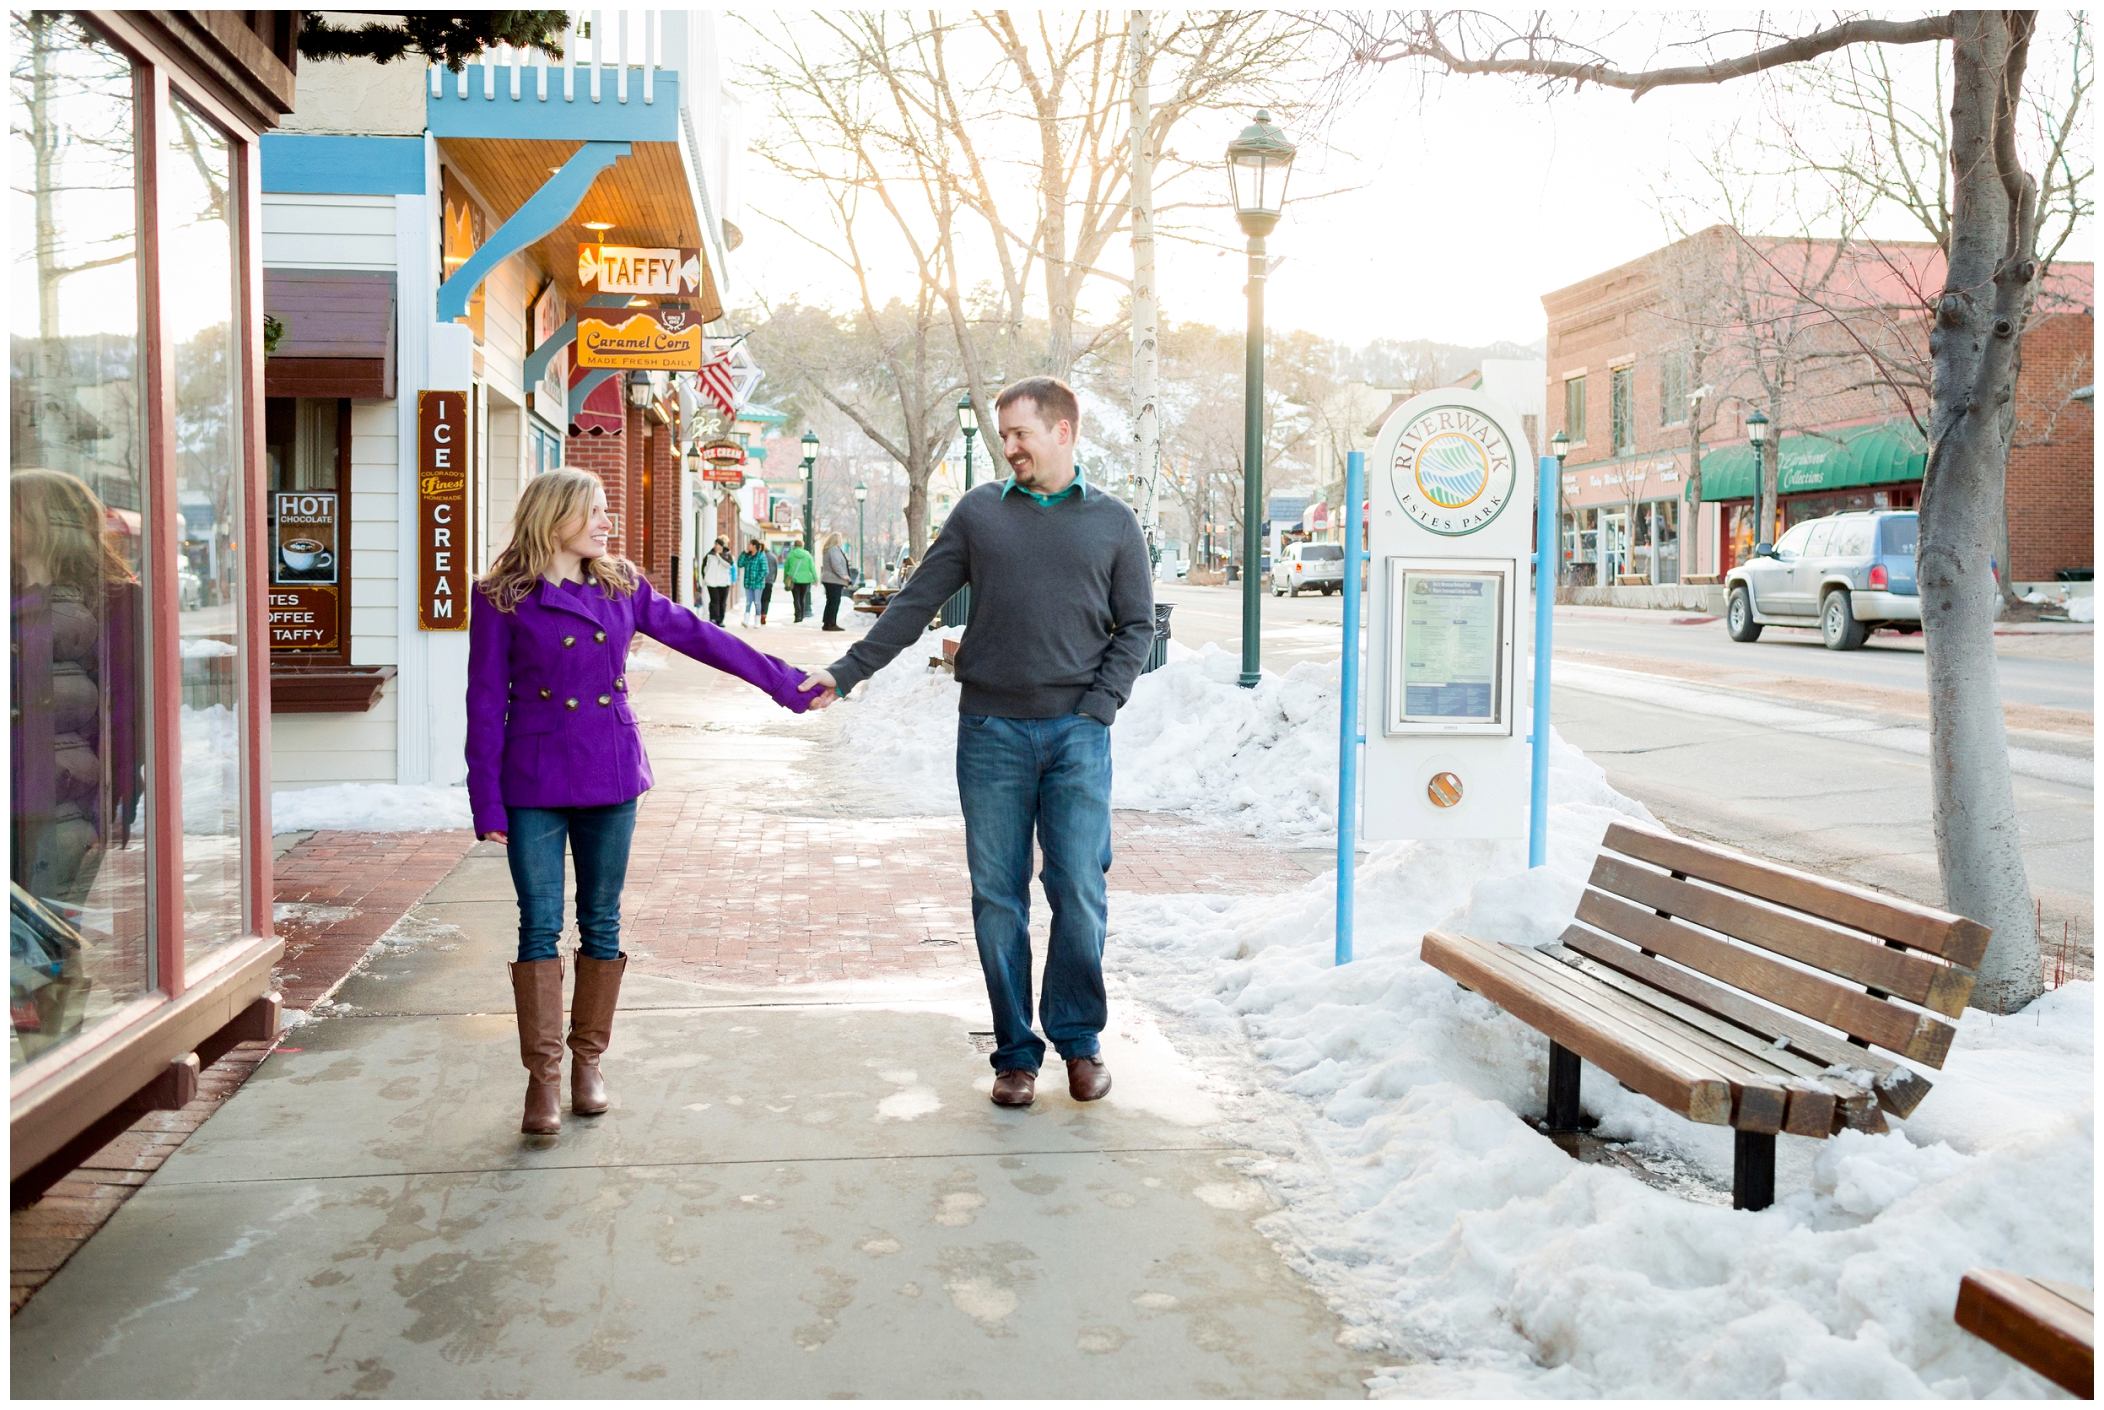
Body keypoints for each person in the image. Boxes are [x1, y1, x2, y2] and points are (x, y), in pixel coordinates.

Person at [799, 377, 1152, 1108]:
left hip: (1077, 737)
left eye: (1020, 433)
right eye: (1002, 435)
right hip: (990, 731)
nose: (1009, 447)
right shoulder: (979, 515)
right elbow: (915, 602)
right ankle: (1015, 1055)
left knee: (1078, 891)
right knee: (998, 898)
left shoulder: (1115, 523)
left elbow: (1138, 627)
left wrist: (1099, 707)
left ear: (1062, 431)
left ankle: (1080, 1042)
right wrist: (848, 671)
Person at [467, 470, 828, 1135]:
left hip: (608, 768)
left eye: (608, 511)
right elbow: (486, 704)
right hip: (533, 778)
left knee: (601, 921)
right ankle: (542, 1079)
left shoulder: (621, 586)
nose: (608, 522)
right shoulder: (500, 597)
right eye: (596, 511)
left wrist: (787, 683)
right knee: (538, 924)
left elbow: (703, 638)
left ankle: (586, 1065)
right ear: (556, 517)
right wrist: (485, 800)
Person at [819, 530, 853, 632]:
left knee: (830, 601)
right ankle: (831, 623)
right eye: (840, 539)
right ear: (836, 540)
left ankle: (828, 623)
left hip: (830, 580)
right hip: (833, 580)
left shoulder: (830, 549)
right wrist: (844, 576)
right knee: (834, 602)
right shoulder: (834, 549)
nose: (841, 541)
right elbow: (836, 564)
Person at [735, 538, 769, 628]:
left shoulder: (761, 556)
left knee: (757, 602)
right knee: (748, 602)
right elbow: (740, 564)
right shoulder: (748, 556)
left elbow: (764, 570)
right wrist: (744, 553)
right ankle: (746, 620)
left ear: (754, 546)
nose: (748, 546)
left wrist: (757, 579)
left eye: (749, 544)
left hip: (757, 584)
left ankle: (757, 620)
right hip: (748, 583)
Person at [701, 536, 734, 626]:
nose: (716, 546)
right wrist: (705, 578)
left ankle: (721, 620)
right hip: (712, 582)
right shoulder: (710, 555)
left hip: (724, 582)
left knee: (722, 602)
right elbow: (704, 567)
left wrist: (719, 556)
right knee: (714, 600)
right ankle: (713, 618)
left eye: (718, 544)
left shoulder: (727, 554)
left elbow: (729, 565)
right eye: (715, 544)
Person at [783, 539, 818, 622]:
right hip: (805, 580)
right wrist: (815, 578)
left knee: (796, 598)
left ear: (794, 545)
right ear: (802, 545)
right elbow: (812, 567)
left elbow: (786, 568)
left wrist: (785, 579)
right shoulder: (807, 554)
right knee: (802, 598)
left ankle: (797, 616)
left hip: (794, 580)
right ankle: (802, 615)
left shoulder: (791, 554)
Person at [757, 540, 780, 625]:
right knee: (766, 599)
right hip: (769, 581)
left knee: (758, 599)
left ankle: (758, 615)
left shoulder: (758, 556)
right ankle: (764, 614)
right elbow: (775, 570)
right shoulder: (772, 556)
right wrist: (773, 579)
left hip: (759, 581)